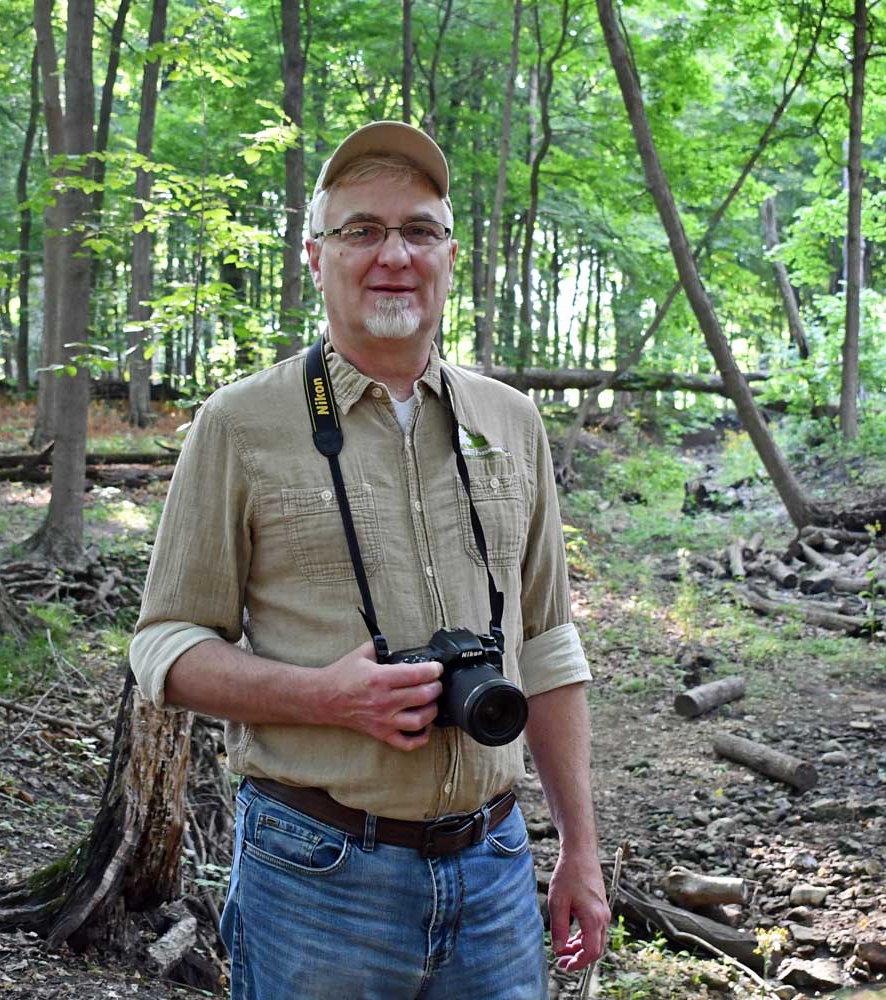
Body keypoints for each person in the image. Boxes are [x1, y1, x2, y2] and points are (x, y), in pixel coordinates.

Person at [129, 120, 608, 999]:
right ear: (315, 256)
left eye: (419, 230)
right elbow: (164, 642)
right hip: (316, 874)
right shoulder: (240, 424)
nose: (394, 254)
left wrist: (579, 847)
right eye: (361, 230)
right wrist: (324, 698)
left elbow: (546, 646)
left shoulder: (511, 422)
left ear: (450, 254)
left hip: (498, 870)